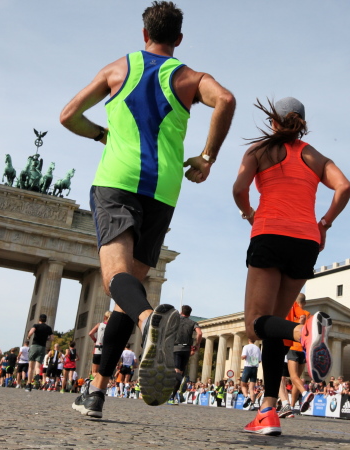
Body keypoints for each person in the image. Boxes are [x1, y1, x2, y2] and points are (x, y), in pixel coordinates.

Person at [62, 1, 235, 418]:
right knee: (128, 293)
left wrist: (102, 135)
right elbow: (226, 100)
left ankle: (149, 322)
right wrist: (207, 157)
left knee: (116, 282)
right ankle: (97, 392)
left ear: (144, 34)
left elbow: (68, 115)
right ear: (179, 38)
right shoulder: (190, 78)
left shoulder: (116, 70)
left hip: (117, 181)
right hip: (163, 189)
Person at [233, 97, 350, 435]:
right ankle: (268, 411)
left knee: (256, 325)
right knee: (275, 328)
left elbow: (239, 189)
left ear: (274, 121)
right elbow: (344, 186)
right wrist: (324, 223)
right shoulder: (313, 155)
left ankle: (303, 332)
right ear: (301, 122)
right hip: (306, 242)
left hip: (269, 233)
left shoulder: (258, 151)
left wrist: (250, 214)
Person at [280, 293, 314, 418]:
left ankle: (305, 393)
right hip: (304, 350)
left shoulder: (293, 313)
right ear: (304, 303)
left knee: (292, 377)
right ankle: (293, 406)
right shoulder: (308, 315)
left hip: (293, 347)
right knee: (297, 379)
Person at [170, 305, 202, 404]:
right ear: (189, 314)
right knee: (180, 372)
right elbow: (199, 333)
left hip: (176, 348)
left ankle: (182, 382)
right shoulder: (193, 322)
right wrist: (197, 345)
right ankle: (172, 397)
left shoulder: (175, 321)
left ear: (181, 312)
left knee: (176, 372)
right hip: (186, 349)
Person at [26, 315, 54, 391]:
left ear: (39, 319)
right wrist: (46, 339)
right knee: (37, 367)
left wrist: (28, 336)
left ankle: (29, 385)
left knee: (31, 367)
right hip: (42, 347)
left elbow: (31, 332)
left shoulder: (36, 325)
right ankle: (37, 375)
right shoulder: (48, 328)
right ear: (45, 320)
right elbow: (52, 338)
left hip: (34, 346)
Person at [88, 311, 111, 378]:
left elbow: (90, 333)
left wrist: (95, 340)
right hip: (106, 351)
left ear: (104, 317)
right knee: (102, 372)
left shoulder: (99, 325)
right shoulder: (111, 327)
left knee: (94, 372)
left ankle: (95, 382)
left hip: (98, 349)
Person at [240, 338, 261, 410]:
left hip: (247, 367)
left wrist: (242, 357)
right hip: (255, 368)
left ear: (248, 340)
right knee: (251, 388)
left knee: (243, 385)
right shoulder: (258, 348)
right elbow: (259, 360)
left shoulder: (246, 347)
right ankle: (252, 404)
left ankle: (246, 397)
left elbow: (244, 356)